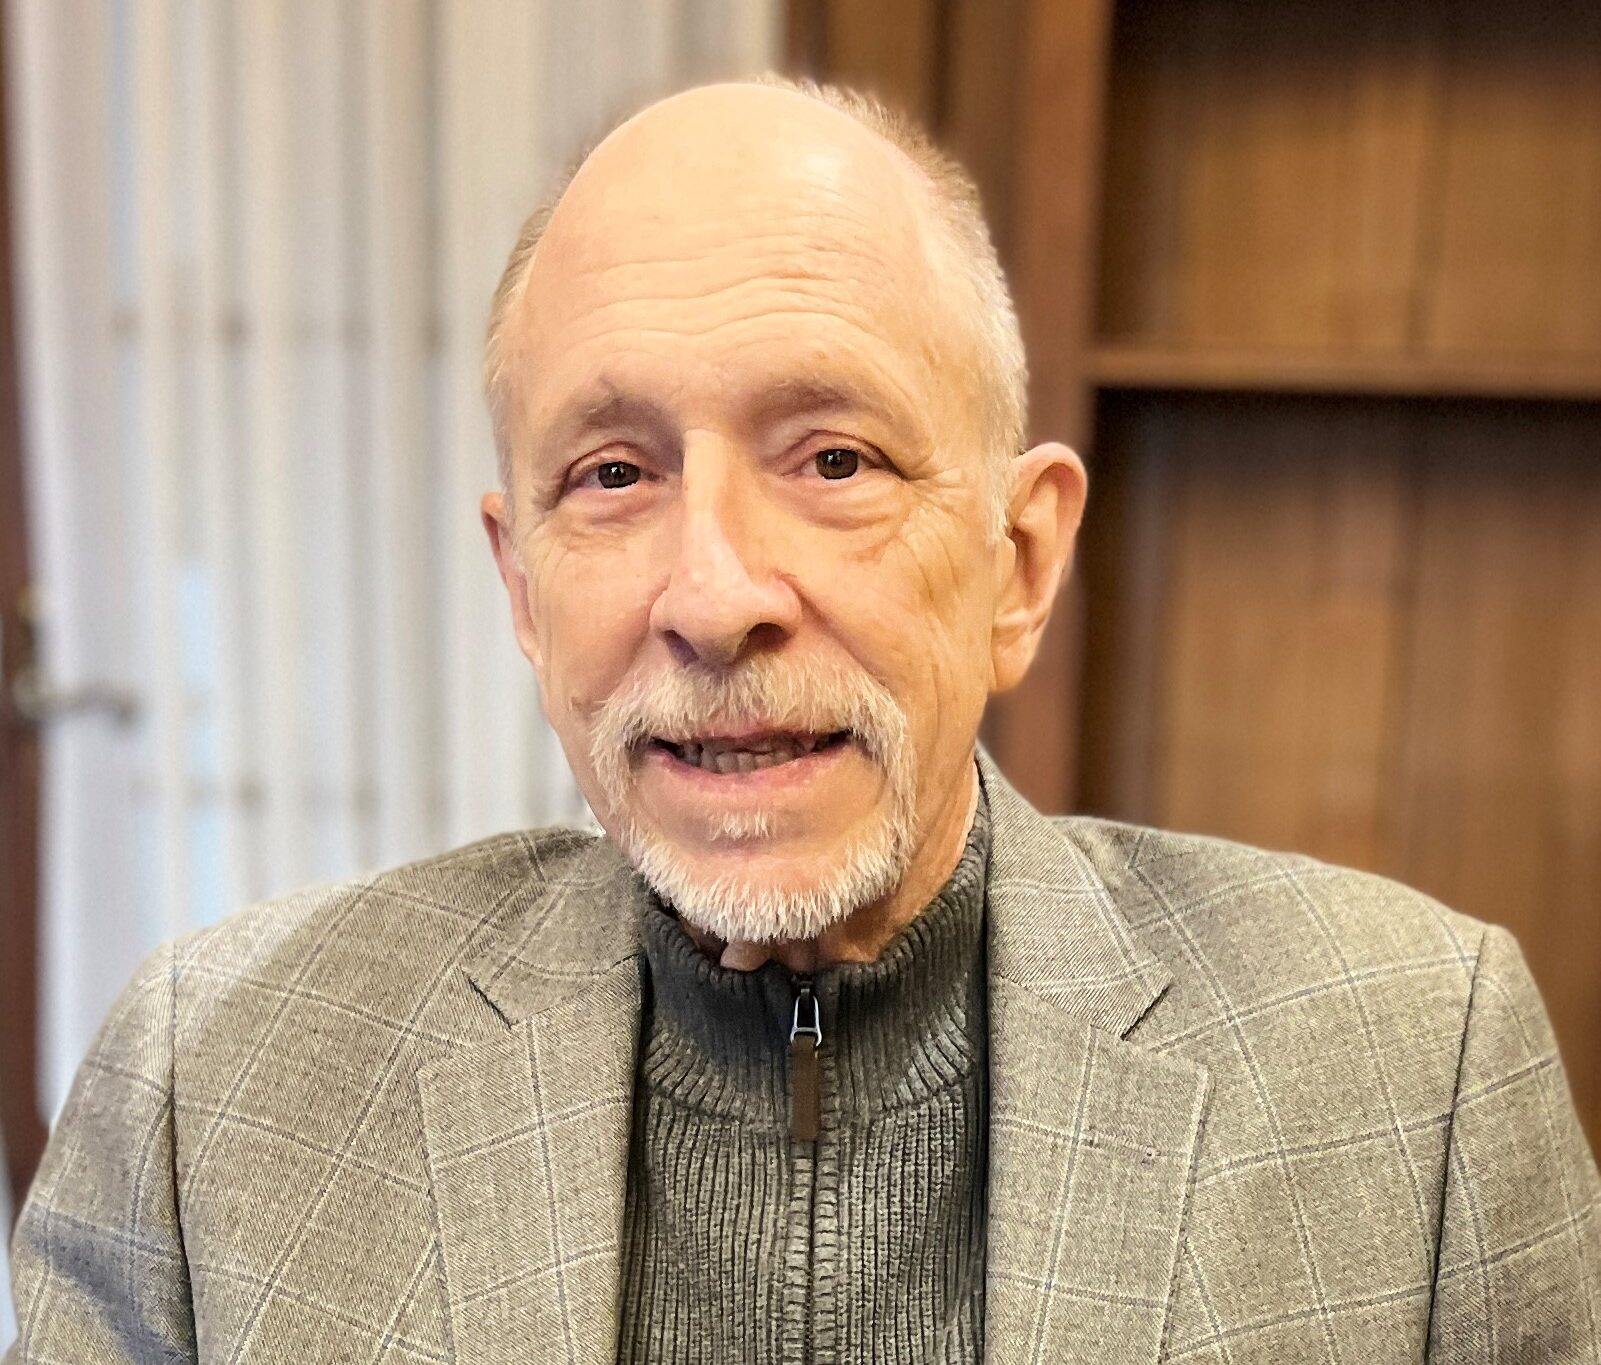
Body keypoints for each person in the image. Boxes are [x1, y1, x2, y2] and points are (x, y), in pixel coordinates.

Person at [7, 75, 1599, 1364]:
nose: (712, 594)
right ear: (520, 583)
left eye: (833, 459)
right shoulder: (209, 1088)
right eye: (613, 475)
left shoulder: (1410, 1077)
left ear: (1017, 561)